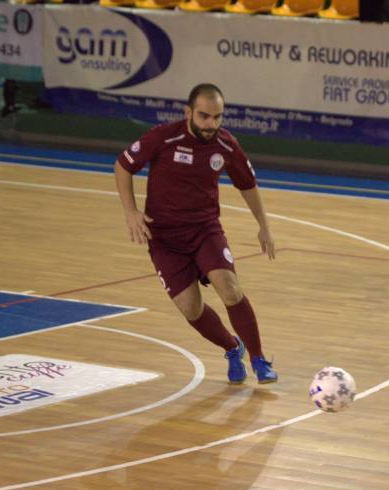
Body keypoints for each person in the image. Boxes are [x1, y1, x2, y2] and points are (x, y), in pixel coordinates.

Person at [114, 83, 278, 385]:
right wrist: (131, 212)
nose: (210, 124)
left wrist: (264, 226)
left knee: (229, 288)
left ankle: (259, 359)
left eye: (217, 117)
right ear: (188, 112)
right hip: (164, 239)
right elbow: (123, 166)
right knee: (190, 308)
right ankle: (232, 347)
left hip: (205, 230)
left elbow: (247, 185)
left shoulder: (226, 145)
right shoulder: (163, 137)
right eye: (204, 116)